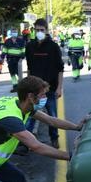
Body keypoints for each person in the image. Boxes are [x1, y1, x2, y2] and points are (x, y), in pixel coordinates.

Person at [24, 18, 64, 150]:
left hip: (50, 89)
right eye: (37, 30)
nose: (39, 32)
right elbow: (29, 68)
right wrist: (27, 84)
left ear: (46, 31)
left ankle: (54, 138)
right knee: (31, 115)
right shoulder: (30, 46)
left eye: (42, 30)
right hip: (34, 89)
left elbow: (60, 69)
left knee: (52, 115)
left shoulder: (53, 47)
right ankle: (26, 143)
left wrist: (59, 88)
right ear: (34, 30)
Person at [2, 27, 26, 93]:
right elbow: (5, 50)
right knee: (12, 74)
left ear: (17, 33)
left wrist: (22, 57)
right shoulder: (7, 41)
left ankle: (22, 87)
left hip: (18, 60)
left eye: (15, 32)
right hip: (10, 60)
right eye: (13, 32)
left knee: (19, 74)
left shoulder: (21, 41)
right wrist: (2, 57)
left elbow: (23, 49)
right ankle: (15, 86)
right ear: (11, 33)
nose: (14, 33)